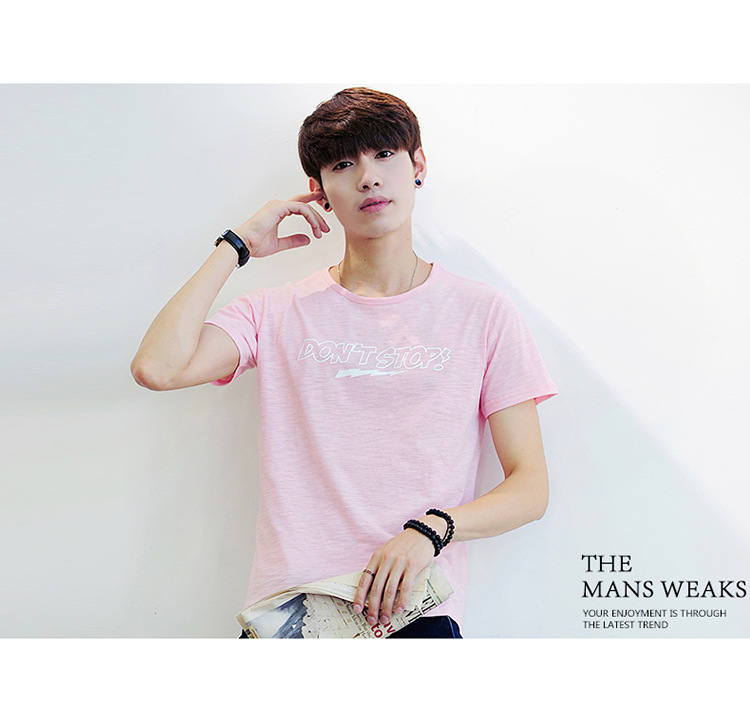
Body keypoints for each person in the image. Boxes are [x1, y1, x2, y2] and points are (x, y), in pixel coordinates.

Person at [131, 87, 557, 638]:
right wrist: (237, 244)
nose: (368, 177)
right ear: (320, 191)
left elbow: (530, 487)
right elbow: (157, 368)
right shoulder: (275, 311)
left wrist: (432, 531)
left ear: (418, 165)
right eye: (343, 164)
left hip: (412, 609)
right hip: (292, 613)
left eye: (384, 154)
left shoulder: (482, 313)